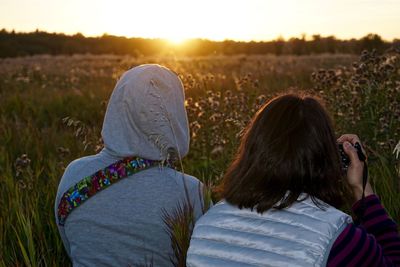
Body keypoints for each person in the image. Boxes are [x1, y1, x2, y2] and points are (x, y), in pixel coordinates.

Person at [187, 94, 400, 266]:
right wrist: (362, 191)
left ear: (252, 150)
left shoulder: (206, 226)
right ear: (325, 157)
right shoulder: (337, 239)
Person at [55, 64, 205, 266]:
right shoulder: (190, 191)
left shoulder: (74, 174)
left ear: (117, 106)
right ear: (175, 113)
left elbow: (70, 246)